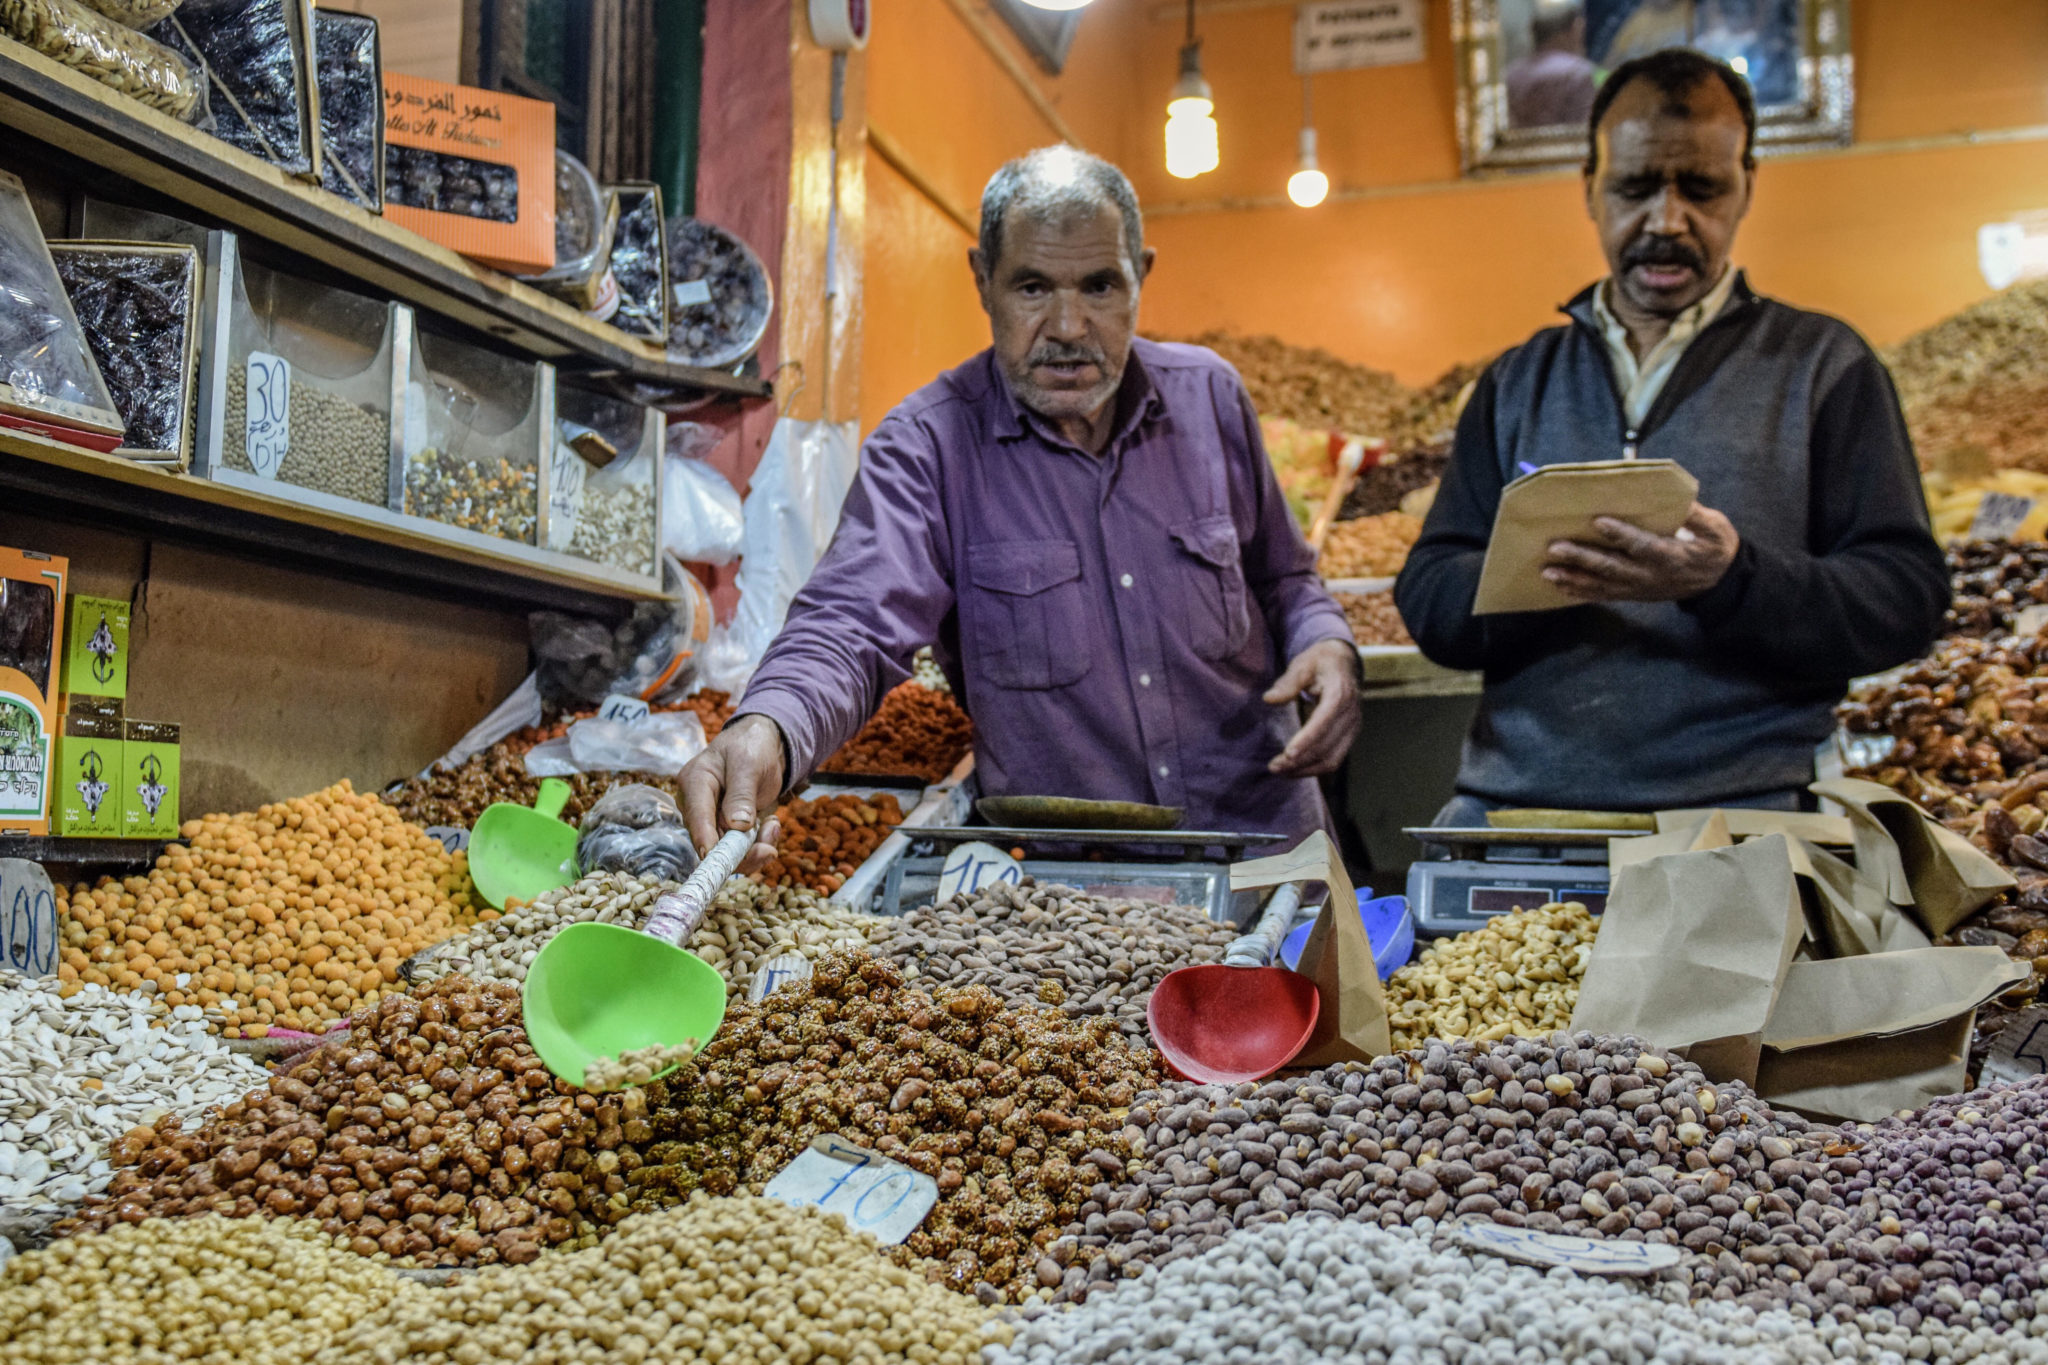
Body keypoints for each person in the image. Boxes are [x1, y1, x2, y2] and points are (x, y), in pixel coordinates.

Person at [681, 146, 1361, 865]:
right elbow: (849, 620)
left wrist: (1328, 644)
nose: (1068, 327)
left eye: (1100, 286)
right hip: (1082, 906)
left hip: (1274, 855)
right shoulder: (927, 447)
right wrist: (769, 728)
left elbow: (1287, 579)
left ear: (1142, 276)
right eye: (1033, 288)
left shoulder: (1211, 398)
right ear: (983, 281)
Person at [1394, 49, 1948, 822]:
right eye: (1635, 187)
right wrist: (1536, 567)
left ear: (1747, 184)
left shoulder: (1823, 366)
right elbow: (1427, 598)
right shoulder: (1518, 380)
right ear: (1588, 187)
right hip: (1516, 813)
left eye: (1702, 188)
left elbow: (1906, 597)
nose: (1667, 220)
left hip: (1744, 818)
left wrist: (1729, 580)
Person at [1505, 0, 1597, 129]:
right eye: (1580, 30)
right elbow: (1583, 130)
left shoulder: (1510, 75)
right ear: (1571, 31)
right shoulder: (1579, 73)